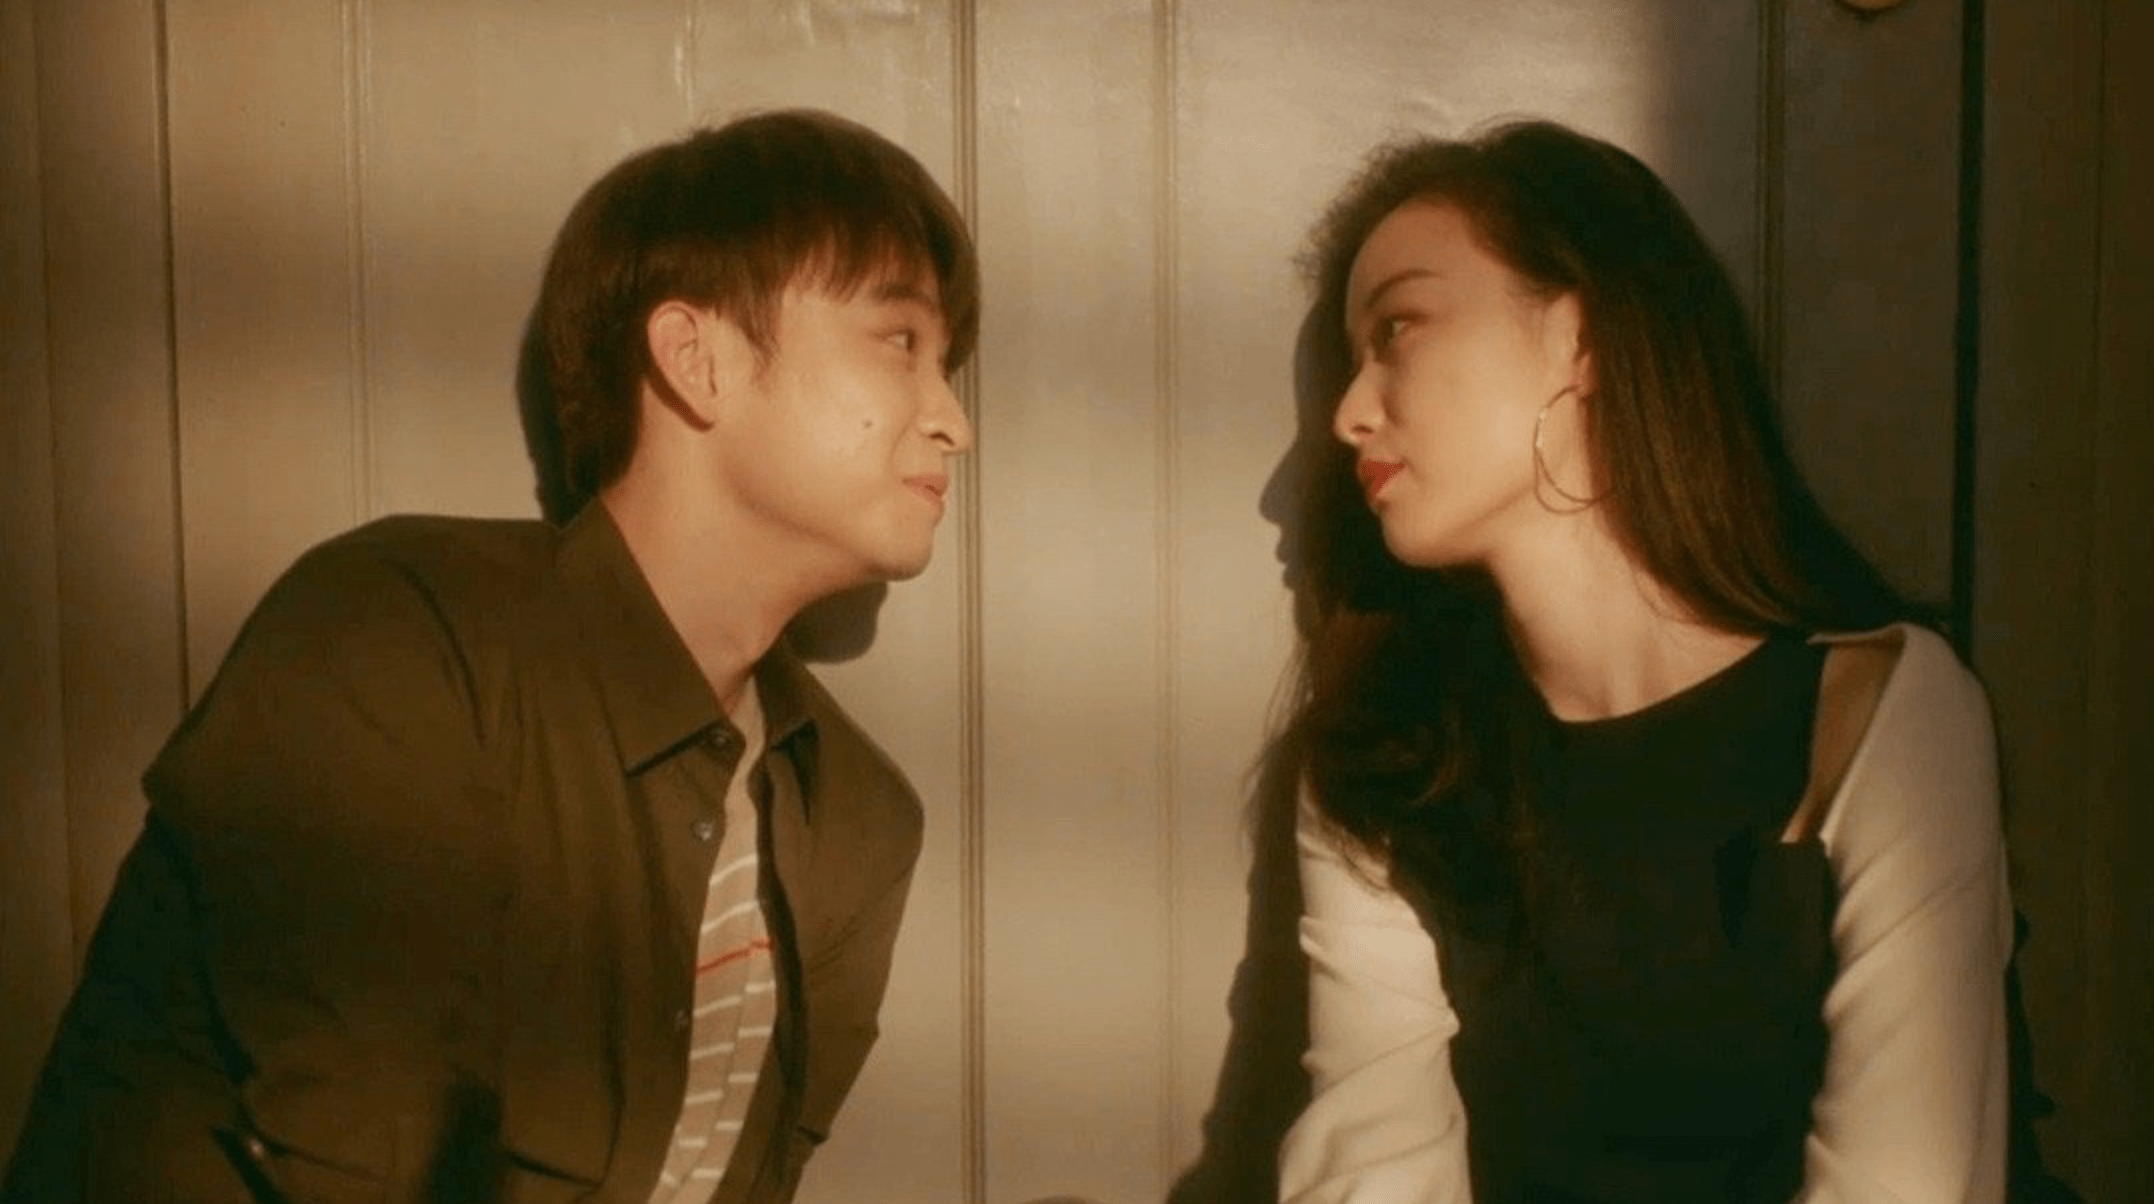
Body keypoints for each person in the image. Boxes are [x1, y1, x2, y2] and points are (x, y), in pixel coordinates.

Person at [2, 108, 977, 1203]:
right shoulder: (398, 638)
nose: (954, 421)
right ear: (695, 359)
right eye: (901, 341)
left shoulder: (856, 820)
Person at [1272, 121, 2012, 1204]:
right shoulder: (1384, 762)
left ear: (1581, 341)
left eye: (1398, 329)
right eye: (1351, 357)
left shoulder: (1879, 718)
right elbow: (1372, 1171)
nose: (1348, 413)